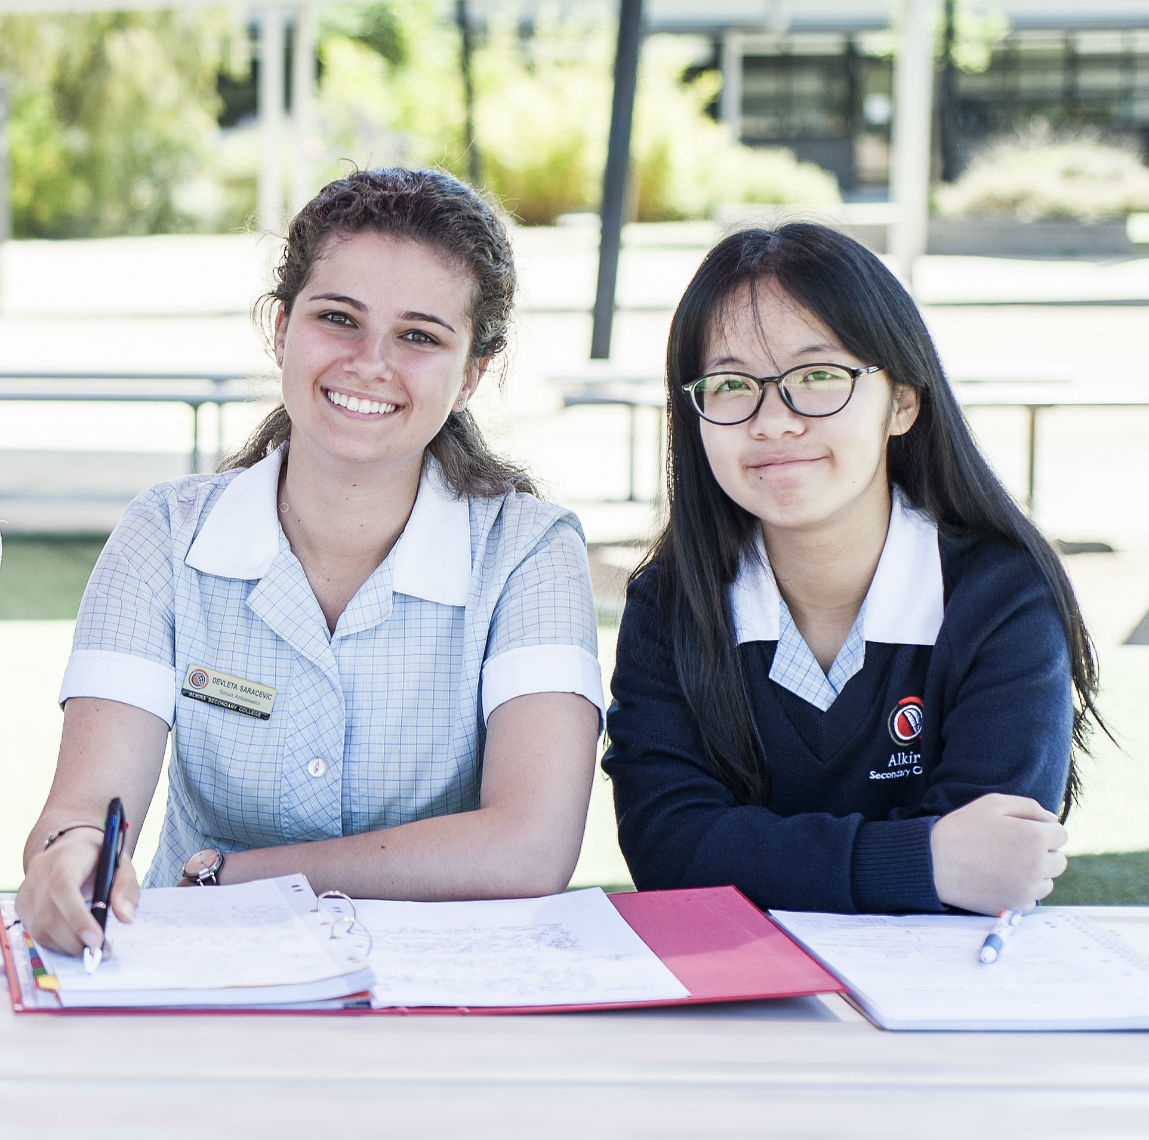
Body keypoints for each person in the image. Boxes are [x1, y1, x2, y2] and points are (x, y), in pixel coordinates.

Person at [19, 167, 603, 957]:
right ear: (281, 328)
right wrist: (69, 857)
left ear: (472, 374)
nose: (370, 362)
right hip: (204, 978)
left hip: (447, 995)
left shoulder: (530, 550)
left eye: (419, 336)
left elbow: (529, 847)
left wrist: (231, 875)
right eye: (338, 318)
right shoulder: (162, 534)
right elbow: (84, 807)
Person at [602, 223, 1103, 917]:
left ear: (901, 402)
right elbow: (668, 850)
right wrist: (918, 860)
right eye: (728, 384)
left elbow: (994, 861)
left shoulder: (999, 595)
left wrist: (750, 854)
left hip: (944, 1002)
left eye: (817, 377)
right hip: (741, 1010)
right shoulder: (670, 603)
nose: (773, 421)